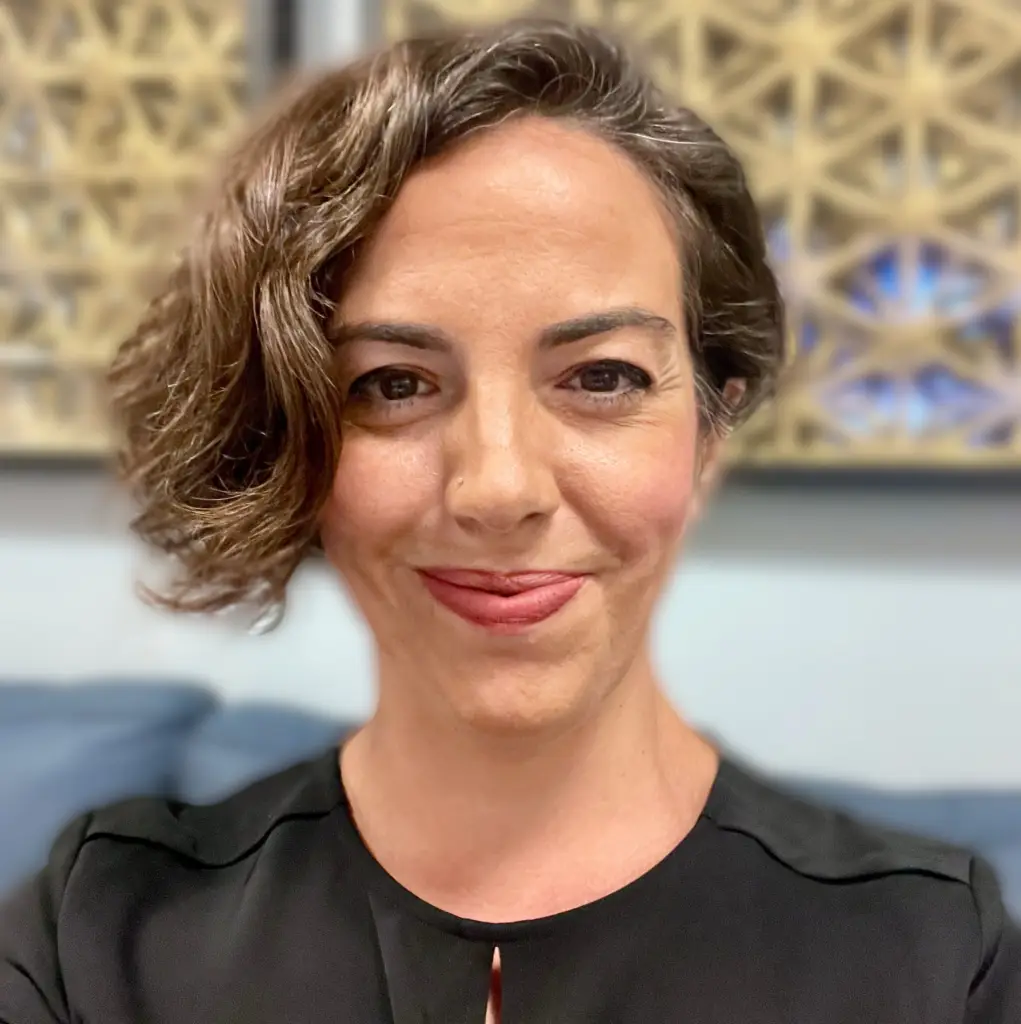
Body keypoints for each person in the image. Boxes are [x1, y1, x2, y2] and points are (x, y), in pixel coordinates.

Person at [1, 17, 1018, 1024]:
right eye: (393, 383)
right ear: (293, 441)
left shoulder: (934, 960)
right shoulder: (99, 938)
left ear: (708, 434)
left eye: (602, 376)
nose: (496, 487)